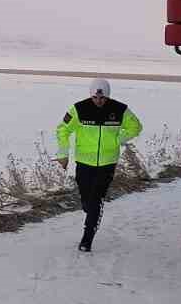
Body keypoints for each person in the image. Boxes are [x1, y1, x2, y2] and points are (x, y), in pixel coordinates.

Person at [56, 78, 142, 252]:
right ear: (91, 95)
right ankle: (91, 211)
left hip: (107, 163)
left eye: (102, 98)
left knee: (96, 199)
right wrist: (63, 154)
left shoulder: (120, 109)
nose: (99, 101)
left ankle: (87, 239)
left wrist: (119, 139)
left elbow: (136, 126)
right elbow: (62, 129)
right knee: (87, 201)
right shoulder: (79, 109)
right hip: (84, 162)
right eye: (96, 97)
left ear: (108, 96)